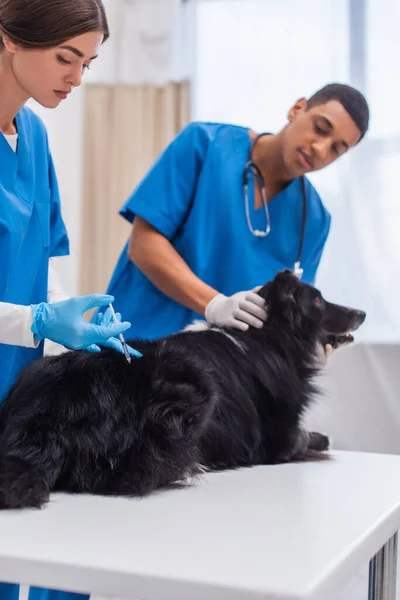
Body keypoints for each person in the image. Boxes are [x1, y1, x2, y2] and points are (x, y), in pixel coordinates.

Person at [0, 1, 139, 600]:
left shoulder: (32, 136)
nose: (77, 79)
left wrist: (64, 318)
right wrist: (32, 320)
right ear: (8, 37)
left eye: (88, 63)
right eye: (65, 58)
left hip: (17, 387)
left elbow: (43, 254)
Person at [106, 83, 369, 341]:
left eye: (336, 149)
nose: (320, 149)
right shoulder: (205, 145)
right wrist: (214, 305)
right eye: (320, 129)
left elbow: (290, 314)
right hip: (134, 350)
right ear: (297, 109)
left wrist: (310, 345)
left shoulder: (314, 221)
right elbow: (143, 245)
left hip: (215, 376)